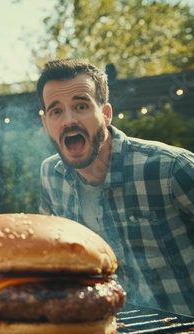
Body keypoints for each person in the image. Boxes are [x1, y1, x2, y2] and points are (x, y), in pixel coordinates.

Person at [37, 58, 194, 316]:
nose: (68, 120)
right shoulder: (50, 175)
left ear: (106, 114)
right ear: (46, 125)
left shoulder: (171, 169)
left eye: (81, 105)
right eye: (56, 111)